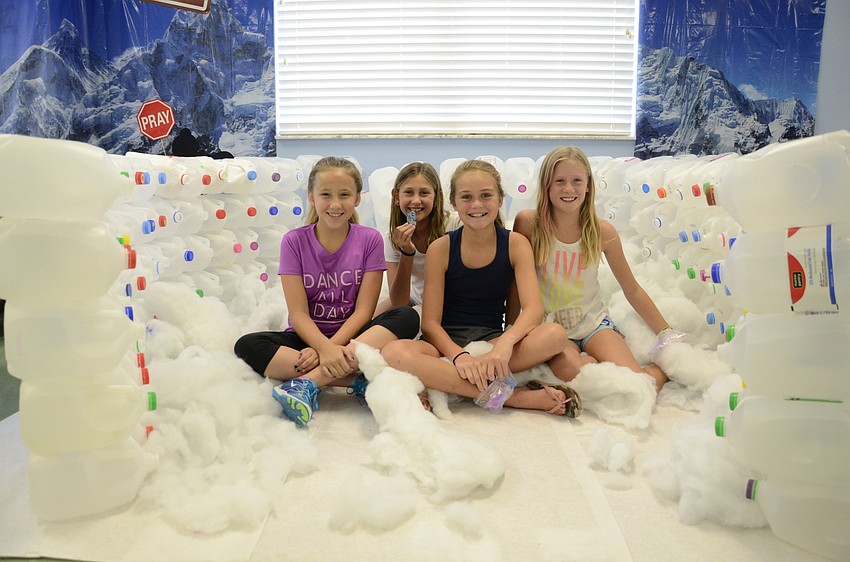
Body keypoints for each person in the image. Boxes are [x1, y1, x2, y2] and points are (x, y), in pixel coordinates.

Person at [382, 159, 581, 417]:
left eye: (486, 196)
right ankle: (511, 397)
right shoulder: (440, 248)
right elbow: (430, 324)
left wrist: (505, 344)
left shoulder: (516, 244)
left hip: (491, 341)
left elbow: (533, 310)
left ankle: (449, 379)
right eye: (467, 197)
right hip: (445, 345)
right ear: (454, 203)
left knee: (555, 335)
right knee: (394, 352)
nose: (476, 205)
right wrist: (459, 357)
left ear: (500, 199)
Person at [234, 156, 420, 427]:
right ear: (311, 197)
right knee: (247, 345)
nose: (335, 204)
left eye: (344, 195)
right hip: (308, 338)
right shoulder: (294, 242)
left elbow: (364, 311)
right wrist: (322, 347)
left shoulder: (369, 239)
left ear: (357, 198)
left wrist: (331, 349)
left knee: (407, 316)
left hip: (355, 337)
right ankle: (355, 378)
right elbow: (298, 314)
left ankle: (307, 382)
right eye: (325, 195)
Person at [510, 146, 671, 391]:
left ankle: (661, 372)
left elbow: (632, 289)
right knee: (572, 372)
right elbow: (515, 282)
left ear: (588, 186)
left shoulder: (602, 231)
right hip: (551, 329)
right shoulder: (529, 224)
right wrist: (511, 330)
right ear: (546, 185)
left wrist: (666, 333)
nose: (568, 189)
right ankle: (591, 362)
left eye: (576, 181)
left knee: (636, 382)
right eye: (560, 181)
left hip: (593, 323)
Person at [376, 161, 461, 315]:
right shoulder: (392, 239)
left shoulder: (455, 224)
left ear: (437, 197)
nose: (416, 200)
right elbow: (399, 303)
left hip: (446, 306)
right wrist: (407, 252)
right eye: (409, 192)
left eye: (424, 193)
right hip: (412, 300)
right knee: (369, 320)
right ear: (396, 197)